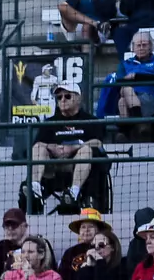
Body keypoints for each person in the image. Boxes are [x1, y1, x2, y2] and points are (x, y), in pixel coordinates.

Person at [28, 82, 102, 215]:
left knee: (86, 150)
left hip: (77, 165)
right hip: (53, 167)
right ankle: (35, 188)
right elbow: (37, 144)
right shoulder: (49, 123)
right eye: (59, 97)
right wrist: (51, 146)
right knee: (39, 147)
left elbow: (98, 143)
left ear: (78, 98)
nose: (62, 100)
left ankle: (73, 193)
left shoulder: (90, 120)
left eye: (67, 96)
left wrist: (74, 148)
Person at [112, 31, 154, 119]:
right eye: (138, 45)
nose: (141, 48)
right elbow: (119, 81)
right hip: (130, 97)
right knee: (124, 95)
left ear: (150, 46)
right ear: (133, 47)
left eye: (144, 45)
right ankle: (138, 121)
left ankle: (125, 130)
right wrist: (141, 78)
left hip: (150, 97)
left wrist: (135, 76)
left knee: (123, 99)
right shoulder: (125, 64)